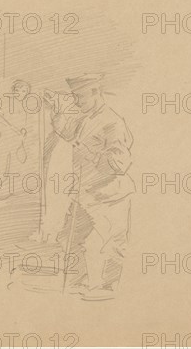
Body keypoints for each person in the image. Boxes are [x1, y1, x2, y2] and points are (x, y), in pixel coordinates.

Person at [50, 73, 136, 300]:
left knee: (112, 243)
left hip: (109, 194)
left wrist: (90, 153)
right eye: (74, 97)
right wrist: (58, 113)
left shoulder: (112, 122)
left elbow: (119, 163)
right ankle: (79, 282)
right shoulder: (84, 118)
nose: (76, 102)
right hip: (84, 192)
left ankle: (107, 288)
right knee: (69, 236)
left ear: (96, 92)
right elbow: (68, 133)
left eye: (80, 97)